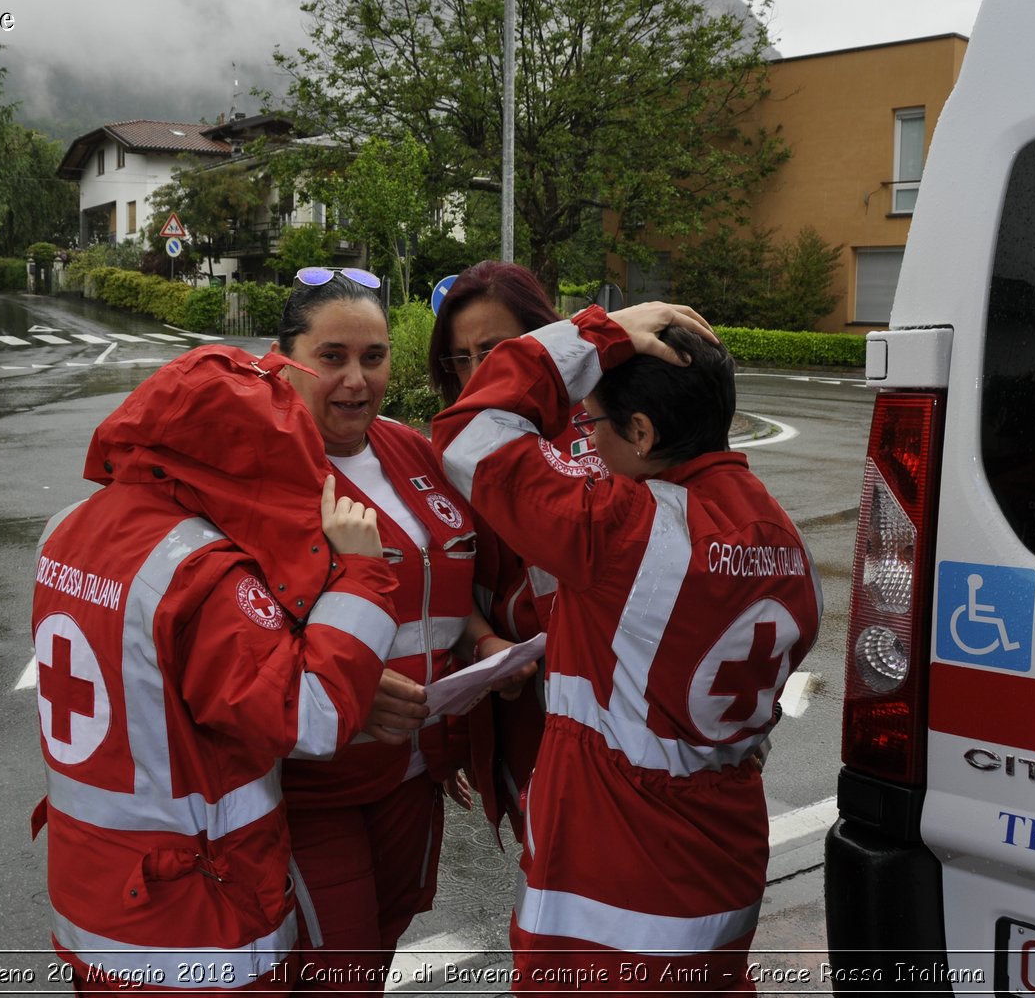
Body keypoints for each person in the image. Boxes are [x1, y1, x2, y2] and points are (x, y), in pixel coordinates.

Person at [433, 302, 824, 995]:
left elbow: (470, 429)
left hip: (611, 899)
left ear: (641, 432)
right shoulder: (784, 537)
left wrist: (596, 331)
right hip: (721, 874)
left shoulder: (622, 531)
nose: (587, 441)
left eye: (593, 424)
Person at [30, 345, 400, 994]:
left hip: (98, 905)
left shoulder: (67, 528)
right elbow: (309, 716)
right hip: (198, 930)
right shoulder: (199, 573)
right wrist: (362, 575)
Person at [271, 267, 481, 994]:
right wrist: (353, 689)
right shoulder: (261, 471)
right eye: (332, 357)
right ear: (286, 357)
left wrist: (481, 640)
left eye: (374, 355)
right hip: (314, 783)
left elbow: (453, 568)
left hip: (414, 772)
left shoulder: (411, 449)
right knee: (341, 967)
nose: (357, 379)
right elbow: (226, 637)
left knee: (380, 944)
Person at [426, 260, 604, 842]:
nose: (480, 371)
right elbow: (448, 582)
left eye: (496, 349)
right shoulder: (452, 451)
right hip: (517, 706)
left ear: (538, 341)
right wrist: (486, 646)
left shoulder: (604, 429)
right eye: (462, 356)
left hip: (609, 705)